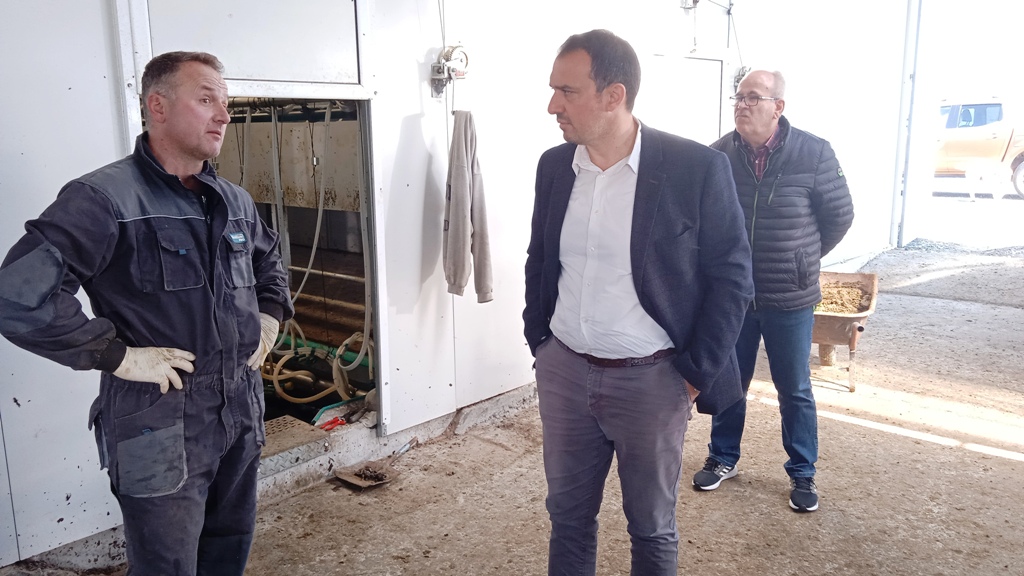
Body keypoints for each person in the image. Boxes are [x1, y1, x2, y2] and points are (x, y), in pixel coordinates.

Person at [0, 51, 293, 574]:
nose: (224, 115)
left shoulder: (234, 201)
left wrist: (269, 315)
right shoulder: (103, 199)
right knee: (166, 564)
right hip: (158, 419)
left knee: (228, 547)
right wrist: (117, 356)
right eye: (206, 99)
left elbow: (269, 263)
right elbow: (17, 296)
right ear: (158, 106)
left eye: (225, 102)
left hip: (240, 408)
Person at [523, 30, 755, 575]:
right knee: (567, 517)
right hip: (565, 372)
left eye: (567, 91)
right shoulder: (555, 166)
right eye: (553, 90)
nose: (553, 105)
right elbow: (540, 258)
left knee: (651, 527)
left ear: (614, 95)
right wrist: (541, 341)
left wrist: (694, 373)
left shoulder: (695, 167)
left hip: (651, 380)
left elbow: (732, 277)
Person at [691, 70, 854, 513]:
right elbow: (706, 220)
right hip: (735, 296)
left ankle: (802, 471)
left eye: (753, 98)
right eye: (738, 97)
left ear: (777, 107)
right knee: (730, 380)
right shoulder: (718, 155)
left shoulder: (814, 153)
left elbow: (839, 216)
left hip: (790, 297)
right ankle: (723, 457)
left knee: (794, 387)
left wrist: (802, 258)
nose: (742, 105)